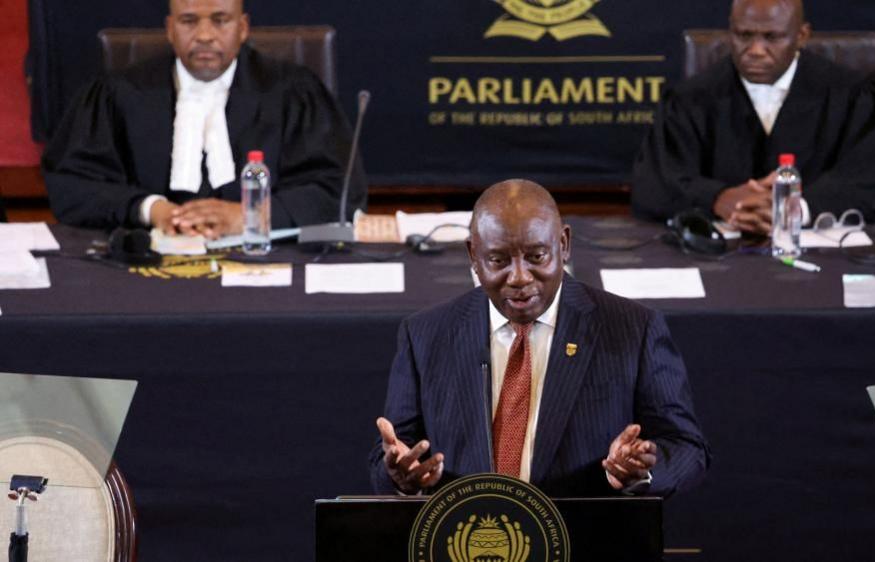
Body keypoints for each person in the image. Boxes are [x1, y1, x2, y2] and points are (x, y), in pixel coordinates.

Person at [370, 179, 709, 497]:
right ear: (473, 255)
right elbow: (392, 455)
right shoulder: (426, 335)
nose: (519, 277)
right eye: (498, 260)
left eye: (536, 257)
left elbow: (687, 449)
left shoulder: (633, 328)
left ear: (563, 244)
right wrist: (401, 476)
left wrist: (640, 472)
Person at [42, 0, 365, 238]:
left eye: (220, 20)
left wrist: (250, 216)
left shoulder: (293, 90)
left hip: (267, 255)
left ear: (243, 28)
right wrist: (153, 210)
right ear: (169, 29)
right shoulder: (120, 92)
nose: (205, 35)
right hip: (148, 256)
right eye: (189, 21)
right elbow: (73, 184)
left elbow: (339, 189)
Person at [631, 0, 875, 235]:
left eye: (772, 37)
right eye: (744, 35)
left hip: (821, 256)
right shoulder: (690, 99)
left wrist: (795, 209)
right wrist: (718, 199)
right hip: (719, 259)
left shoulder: (854, 96)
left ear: (802, 36)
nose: (756, 50)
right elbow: (653, 184)